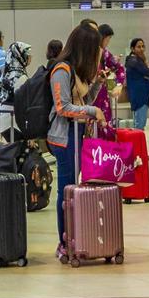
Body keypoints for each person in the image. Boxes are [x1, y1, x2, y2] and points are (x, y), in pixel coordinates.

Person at [47, 22, 105, 257]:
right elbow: (62, 108)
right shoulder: (61, 69)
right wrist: (91, 112)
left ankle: (74, 236)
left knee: (75, 190)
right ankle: (64, 241)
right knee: (67, 191)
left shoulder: (76, 71)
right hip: (63, 137)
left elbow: (82, 102)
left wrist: (98, 84)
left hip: (78, 135)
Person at [120, 37, 149, 132]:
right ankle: (137, 146)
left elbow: (148, 74)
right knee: (139, 126)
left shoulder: (136, 60)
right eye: (138, 47)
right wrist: (147, 65)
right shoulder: (134, 61)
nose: (142, 49)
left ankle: (137, 145)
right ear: (132, 48)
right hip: (140, 97)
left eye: (143, 46)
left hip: (140, 96)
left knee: (138, 124)